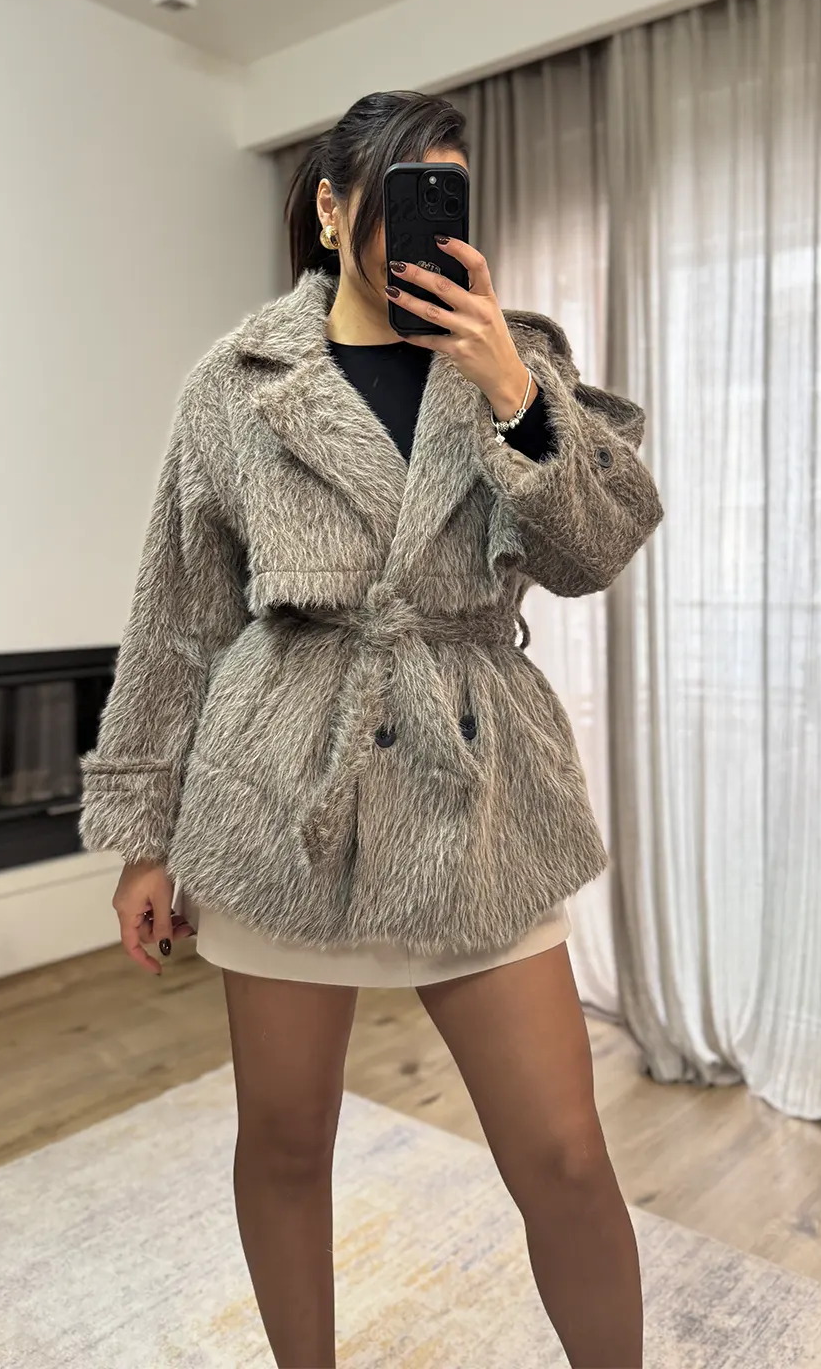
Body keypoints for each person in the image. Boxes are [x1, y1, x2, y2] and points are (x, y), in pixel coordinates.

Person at [80, 90, 663, 1368]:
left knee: (565, 1156)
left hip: (476, 792)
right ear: (334, 208)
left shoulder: (515, 360)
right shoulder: (238, 384)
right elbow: (176, 618)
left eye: (445, 190)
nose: (422, 221)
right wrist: (141, 835)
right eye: (400, 190)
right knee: (287, 1144)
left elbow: (599, 552)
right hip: (284, 788)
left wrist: (511, 388)